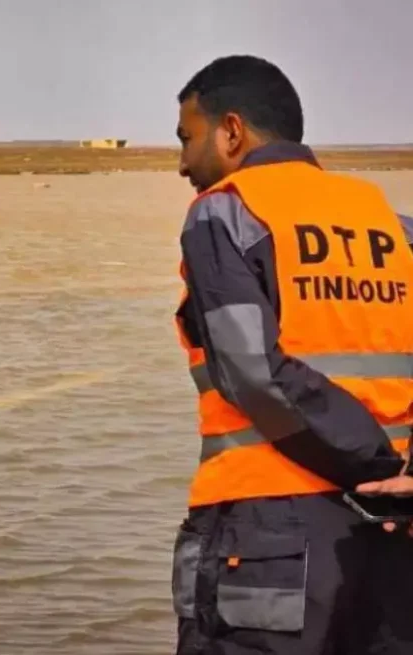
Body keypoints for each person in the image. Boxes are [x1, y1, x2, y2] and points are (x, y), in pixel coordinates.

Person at [170, 54, 413, 655]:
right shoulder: (393, 224)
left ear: (231, 131)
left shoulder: (225, 212)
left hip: (268, 530)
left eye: (186, 138)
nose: (181, 163)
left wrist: (371, 464)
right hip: (396, 529)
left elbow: (252, 373)